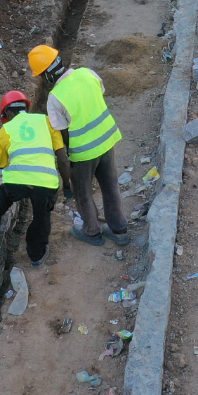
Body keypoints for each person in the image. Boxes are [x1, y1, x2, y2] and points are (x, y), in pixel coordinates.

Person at [29, 45, 129, 247]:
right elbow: (98, 97)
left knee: (82, 192)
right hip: (107, 140)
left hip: (84, 152)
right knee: (110, 186)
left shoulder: (55, 97)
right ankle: (119, 230)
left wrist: (69, 161)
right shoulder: (87, 73)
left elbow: (62, 131)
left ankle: (92, 231)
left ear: (48, 75)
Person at [0, 90, 67, 268]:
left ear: (7, 112)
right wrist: (67, 185)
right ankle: (36, 256)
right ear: (26, 107)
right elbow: (62, 158)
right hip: (44, 183)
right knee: (41, 217)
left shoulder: (4, 131)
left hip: (16, 181)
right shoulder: (46, 121)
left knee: (4, 195)